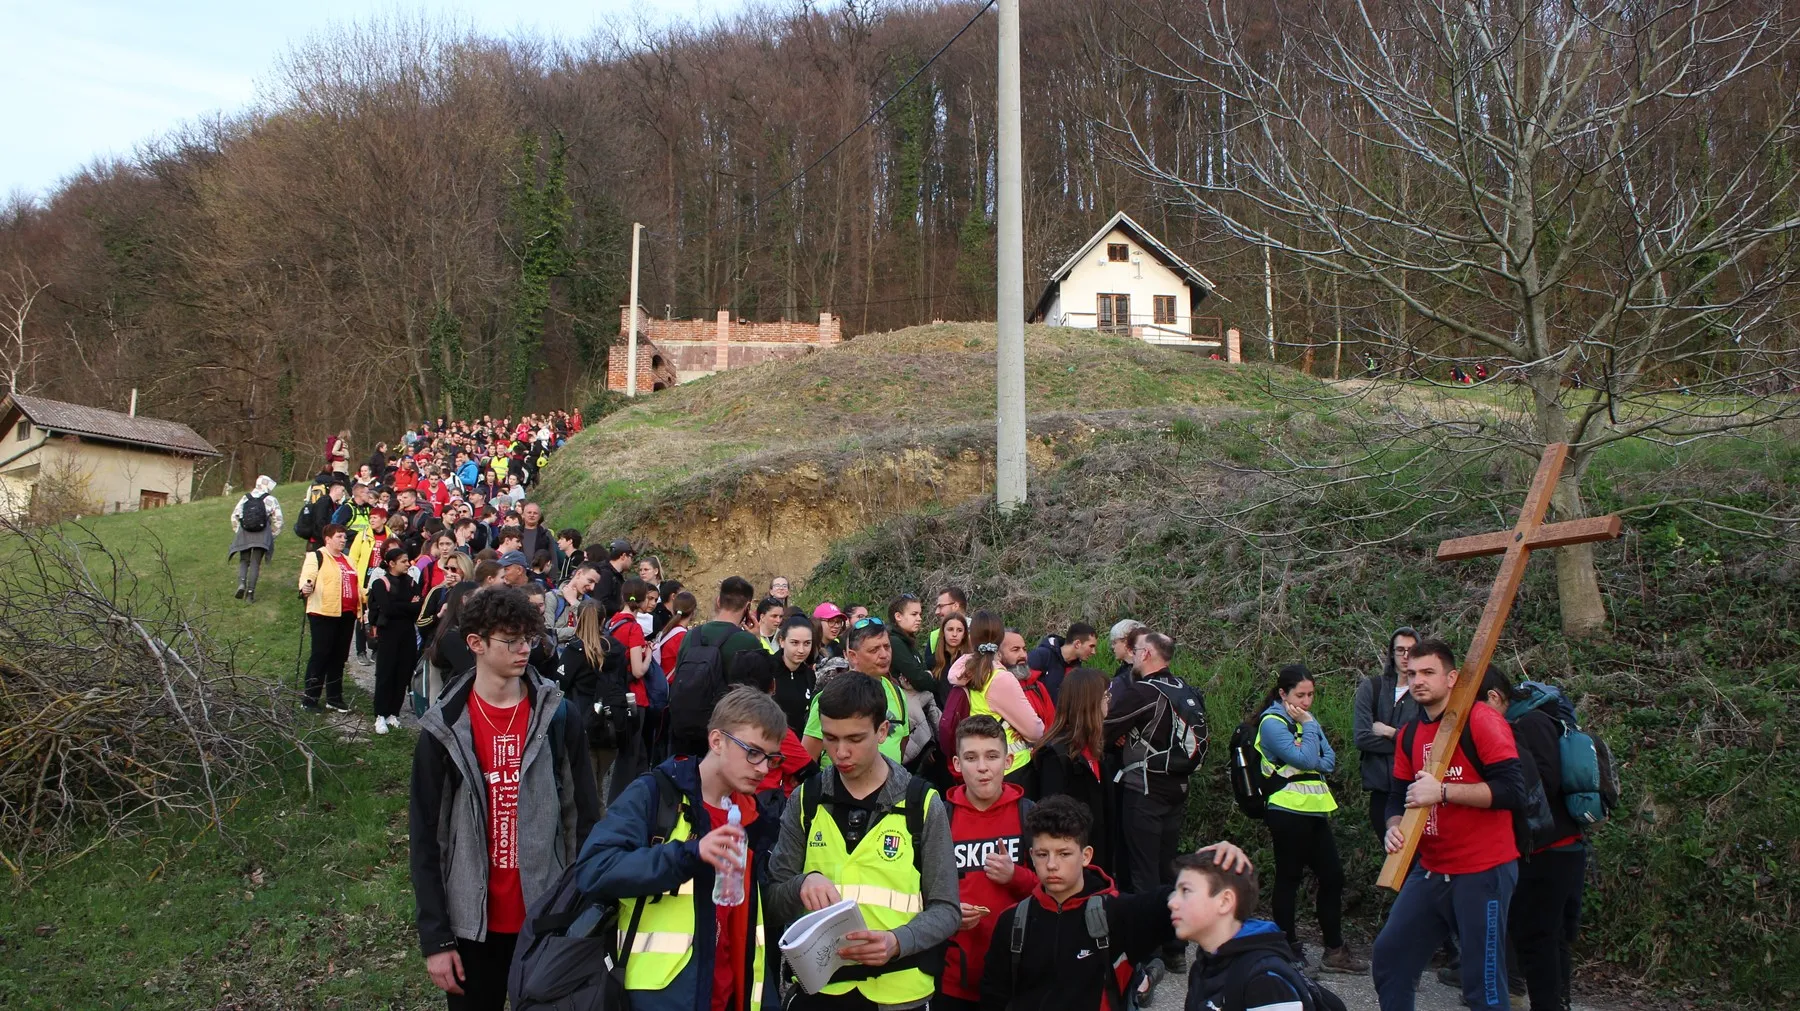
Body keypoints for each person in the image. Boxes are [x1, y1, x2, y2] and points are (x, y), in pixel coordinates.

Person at [409, 586, 600, 1011]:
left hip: (546, 920)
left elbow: (583, 818)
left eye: (529, 640)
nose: (523, 651)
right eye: (511, 641)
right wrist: (436, 938)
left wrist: (579, 908)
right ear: (475, 643)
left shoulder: (557, 716)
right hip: (471, 927)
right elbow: (425, 839)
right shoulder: (444, 729)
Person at [574, 687, 789, 1011]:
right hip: (657, 998)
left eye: (772, 758)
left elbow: (748, 928)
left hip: (729, 996)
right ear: (716, 741)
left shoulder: (753, 818)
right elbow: (594, 869)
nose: (762, 768)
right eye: (753, 752)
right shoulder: (656, 794)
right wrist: (686, 854)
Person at [767, 671, 960, 1011]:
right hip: (820, 992)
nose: (840, 752)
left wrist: (898, 941)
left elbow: (946, 909)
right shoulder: (805, 799)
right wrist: (801, 884)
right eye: (830, 738)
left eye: (855, 739)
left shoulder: (923, 804)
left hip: (899, 993)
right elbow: (772, 899)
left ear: (882, 731)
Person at [978, 797, 1251, 1011]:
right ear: (1031, 856)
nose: (1051, 864)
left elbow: (1186, 900)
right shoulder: (1014, 922)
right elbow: (993, 998)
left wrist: (1222, 864)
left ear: (1086, 856)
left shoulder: (1119, 914)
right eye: (1042, 854)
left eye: (1064, 853)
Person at [1372, 637, 1527, 1011]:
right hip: (1431, 869)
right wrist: (1394, 826)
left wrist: (1444, 792)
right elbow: (1397, 796)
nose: (1418, 681)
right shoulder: (1409, 734)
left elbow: (1512, 790)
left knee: (1483, 985)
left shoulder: (1481, 720)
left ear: (1452, 677)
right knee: (1390, 957)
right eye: (1411, 674)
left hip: (1483, 869)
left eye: (1428, 672)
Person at [1254, 663, 1365, 973]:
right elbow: (1305, 758)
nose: (1306, 702)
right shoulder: (1272, 723)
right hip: (1286, 811)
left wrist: (1308, 729)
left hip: (1314, 810)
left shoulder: (1307, 721)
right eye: (1300, 695)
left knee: (1333, 877)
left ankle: (1334, 950)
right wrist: (1309, 729)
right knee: (1289, 878)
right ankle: (1286, 947)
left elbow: (1327, 761)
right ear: (1282, 694)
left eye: (1311, 695)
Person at [1488, 672, 1588, 1011]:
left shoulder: (1528, 724)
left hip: (1551, 847)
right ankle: (1558, 1001)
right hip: (1559, 843)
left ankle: (1550, 1003)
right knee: (1550, 934)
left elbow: (1545, 782)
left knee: (1537, 936)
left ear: (1495, 698)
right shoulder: (1537, 719)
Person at [1103, 632, 1194, 973]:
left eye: (1138, 651)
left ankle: (1149, 952)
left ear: (1148, 653)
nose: (1134, 656)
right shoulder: (1184, 689)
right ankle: (1176, 945)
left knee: (1142, 872)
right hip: (1178, 786)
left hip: (1144, 787)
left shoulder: (1145, 691)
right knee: (1167, 867)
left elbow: (1107, 725)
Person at [936, 715, 1038, 1011]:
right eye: (971, 757)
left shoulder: (1029, 816)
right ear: (956, 764)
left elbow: (1057, 890)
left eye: (992, 756)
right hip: (952, 976)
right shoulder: (940, 818)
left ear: (1008, 761)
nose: (982, 767)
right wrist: (949, 909)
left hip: (1017, 973)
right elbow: (917, 891)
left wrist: (1015, 876)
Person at [1170, 846, 1316, 1011]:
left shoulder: (1264, 980)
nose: (1172, 902)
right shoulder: (1205, 964)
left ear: (1225, 901)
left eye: (1186, 891)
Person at [942, 612, 1045, 787]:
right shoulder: (999, 678)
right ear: (1000, 639)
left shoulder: (965, 672)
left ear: (970, 638)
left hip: (980, 768)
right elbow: (1035, 731)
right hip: (1012, 767)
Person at [1032, 668, 1117, 880]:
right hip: (1071, 871)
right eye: (1105, 696)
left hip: (1096, 863)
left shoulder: (1096, 751)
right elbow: (1051, 821)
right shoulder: (1056, 756)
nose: (1109, 702)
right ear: (1089, 701)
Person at [801, 618, 917, 766]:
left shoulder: (897, 693)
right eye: (874, 650)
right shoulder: (832, 697)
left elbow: (901, 742)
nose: (884, 655)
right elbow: (807, 758)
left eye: (887, 647)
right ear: (853, 656)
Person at [1354, 627, 1421, 840]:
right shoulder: (1372, 687)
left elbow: (1423, 741)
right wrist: (1404, 739)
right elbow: (1362, 738)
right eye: (1400, 650)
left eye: (1411, 650)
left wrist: (1390, 732)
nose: (1405, 656)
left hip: (1413, 790)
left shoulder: (1422, 692)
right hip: (1380, 790)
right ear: (1391, 653)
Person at [298, 524, 359, 713]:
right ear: (328, 539)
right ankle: (310, 699)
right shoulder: (317, 556)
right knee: (321, 655)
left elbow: (355, 585)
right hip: (323, 613)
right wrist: (305, 588)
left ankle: (334, 697)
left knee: (339, 657)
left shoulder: (348, 560)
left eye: (344, 537)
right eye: (339, 537)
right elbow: (307, 577)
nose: (343, 540)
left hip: (346, 614)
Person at [367, 545, 422, 735]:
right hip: (388, 633)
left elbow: (418, 607)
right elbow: (387, 609)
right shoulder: (380, 583)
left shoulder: (411, 582)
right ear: (391, 563)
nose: (408, 564)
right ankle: (380, 714)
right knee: (385, 673)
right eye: (403, 561)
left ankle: (393, 713)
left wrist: (402, 606)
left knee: (403, 672)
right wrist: (407, 606)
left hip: (407, 633)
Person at [228, 475, 282, 602]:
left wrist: (239, 531)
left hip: (244, 533)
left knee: (243, 560)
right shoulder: (271, 499)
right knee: (255, 563)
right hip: (262, 534)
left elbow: (234, 516)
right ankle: (250, 594)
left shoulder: (245, 497)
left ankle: (241, 583)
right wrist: (271, 535)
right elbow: (279, 521)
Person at [769, 613, 818, 735]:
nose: (801, 650)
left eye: (807, 643)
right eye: (795, 643)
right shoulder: (766, 669)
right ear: (782, 641)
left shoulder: (809, 675)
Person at [1027, 622, 1097, 704]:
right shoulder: (1041, 656)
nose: (1093, 652)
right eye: (1091, 646)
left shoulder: (1077, 670)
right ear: (1077, 644)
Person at [593, 539, 635, 617]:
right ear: (623, 556)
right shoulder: (605, 574)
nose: (631, 561)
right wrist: (622, 609)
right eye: (631, 557)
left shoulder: (615, 575)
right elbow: (601, 602)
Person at [932, 611, 970, 679]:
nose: (954, 634)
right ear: (943, 632)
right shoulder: (933, 659)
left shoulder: (970, 661)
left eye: (959, 630)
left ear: (964, 634)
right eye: (950, 629)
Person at [929, 586, 969, 652]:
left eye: (941, 606)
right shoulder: (935, 636)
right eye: (950, 629)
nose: (937, 612)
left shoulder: (979, 632)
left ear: (955, 606)